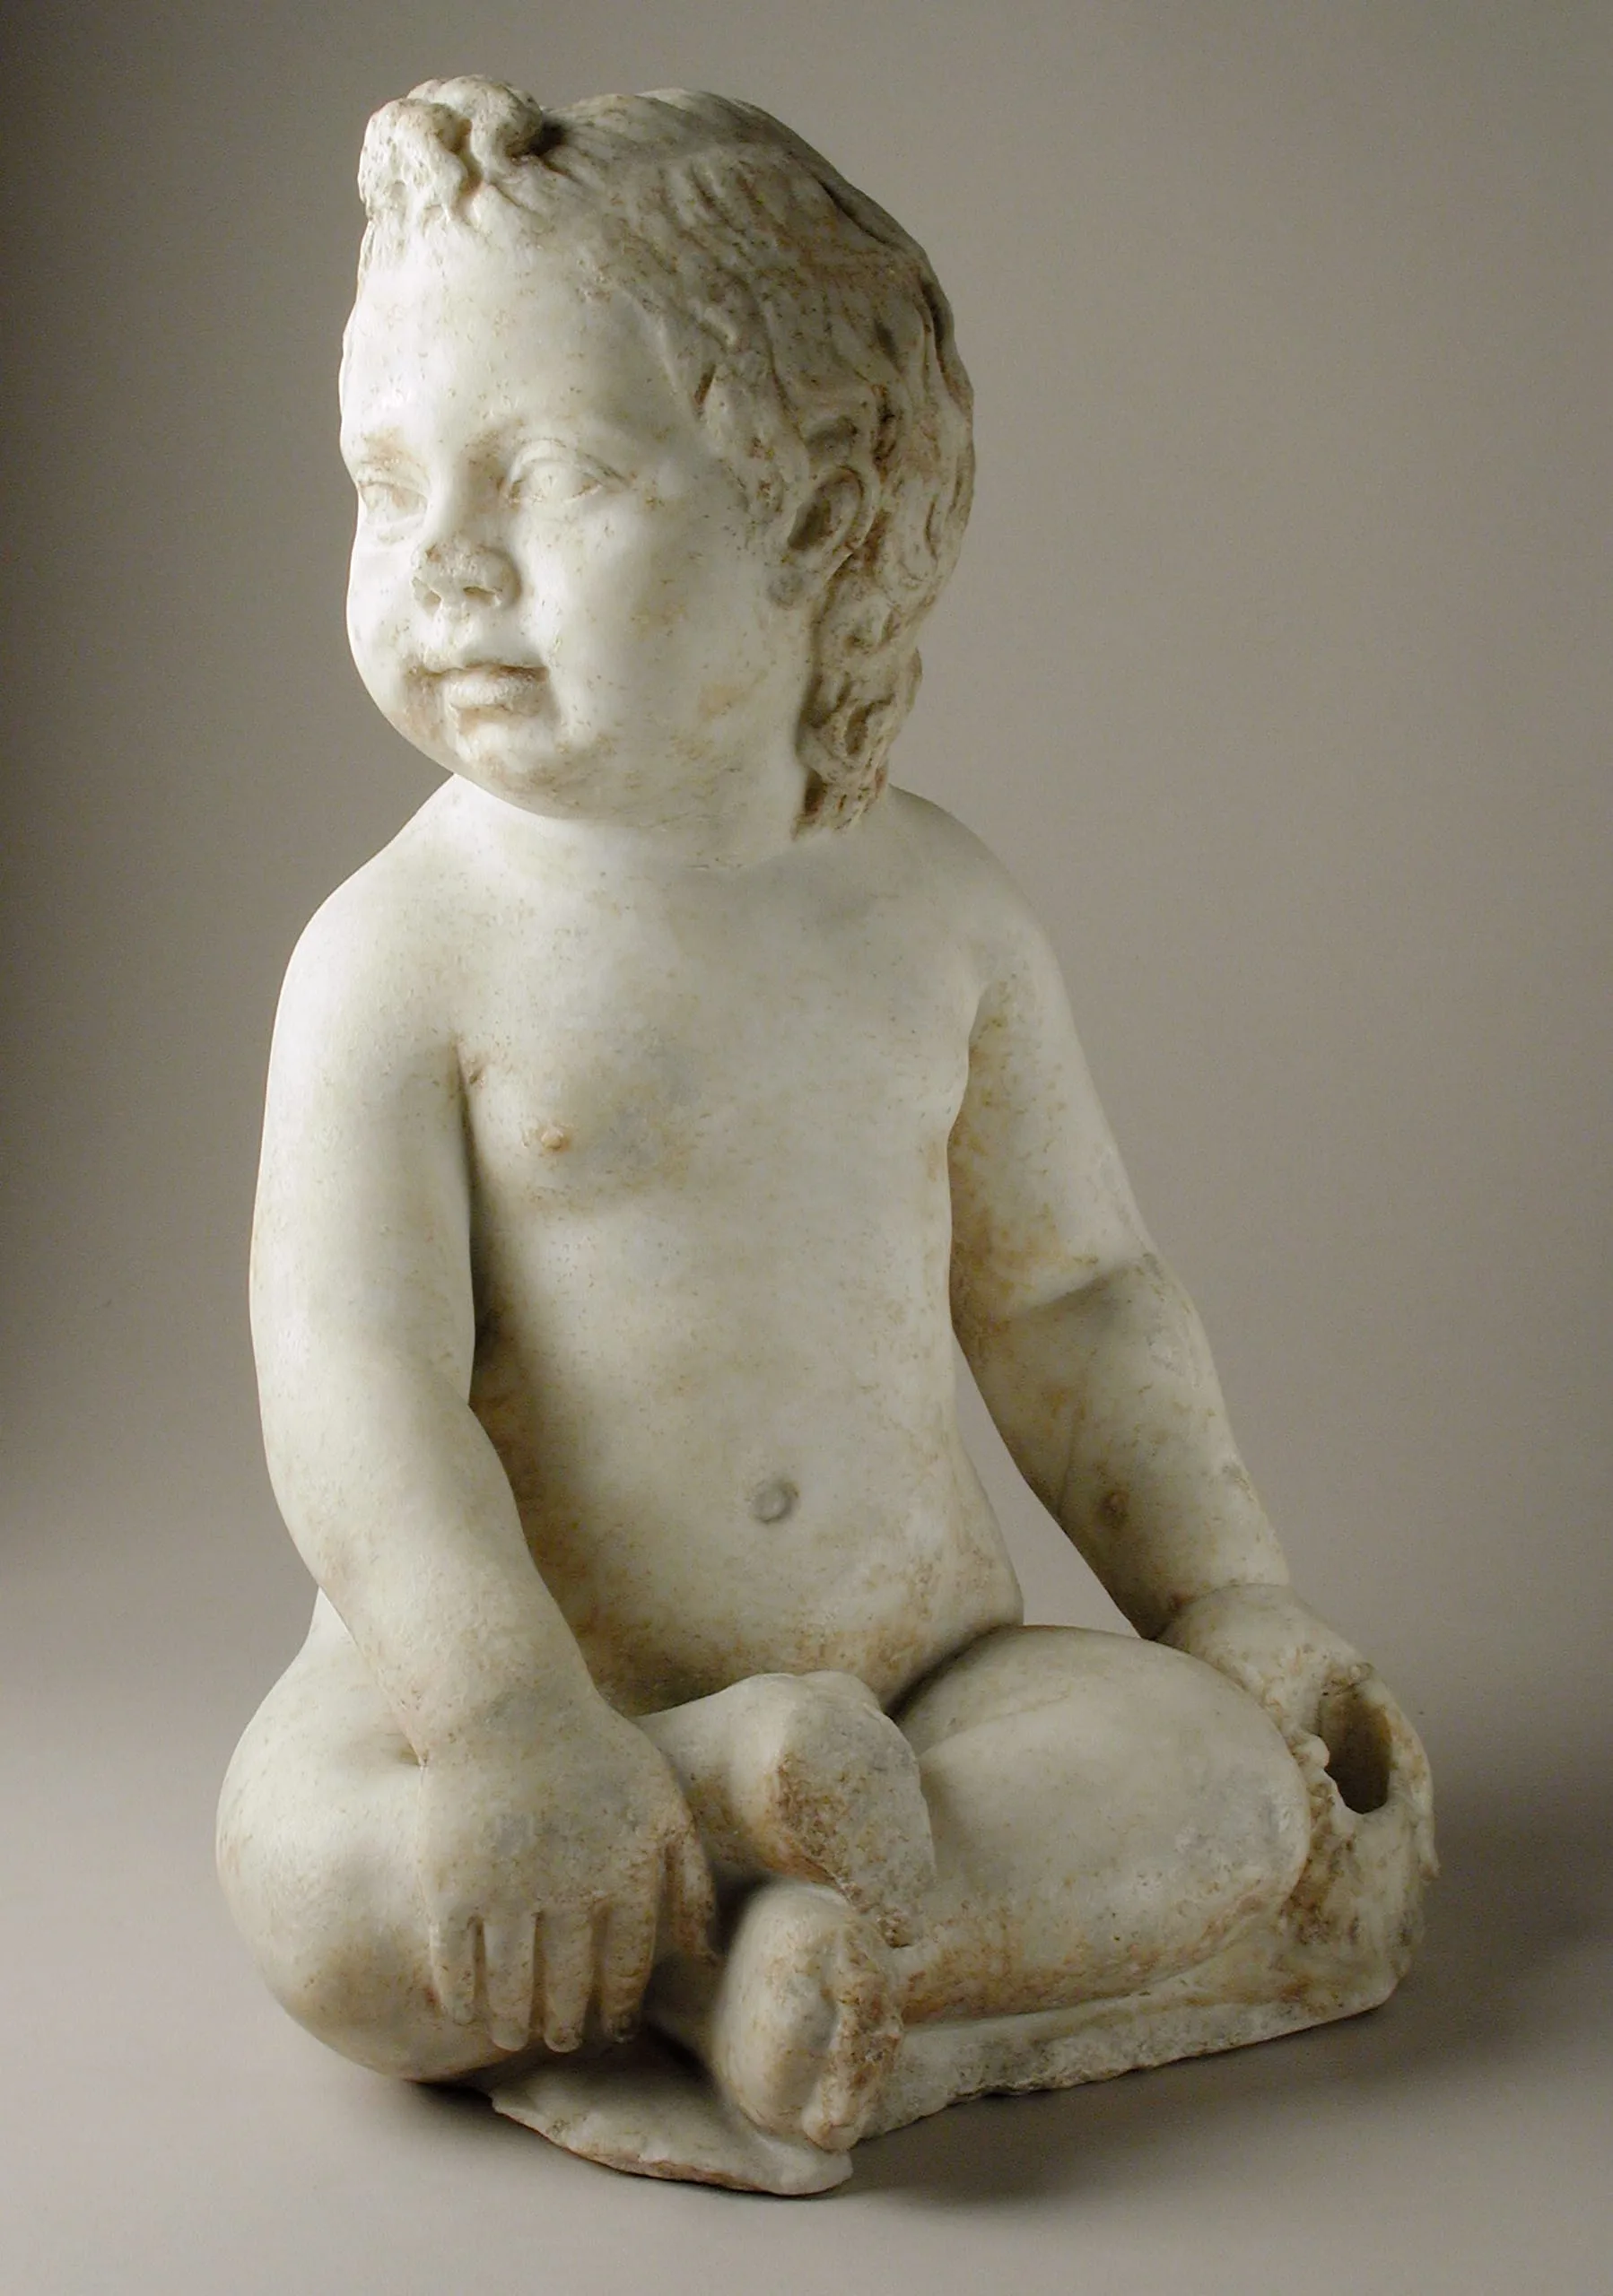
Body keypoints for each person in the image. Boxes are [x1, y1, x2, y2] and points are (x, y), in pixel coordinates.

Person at [217, 79, 1433, 2193]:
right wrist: (507, 1716)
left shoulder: (933, 913)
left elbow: (1069, 1295)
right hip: (492, 1696)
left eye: (552, 473)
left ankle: (786, 1957)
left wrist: (1226, 1598)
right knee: (312, 1883)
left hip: (921, 1688)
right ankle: (723, 1862)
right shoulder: (397, 955)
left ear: (819, 512)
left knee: (1219, 1784)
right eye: (385, 483)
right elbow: (352, 1386)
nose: (443, 562)